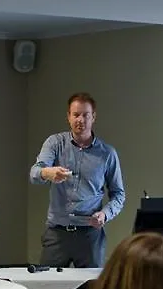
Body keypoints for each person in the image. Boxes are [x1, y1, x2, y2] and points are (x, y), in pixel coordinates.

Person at [29, 92, 126, 268]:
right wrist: (47, 173)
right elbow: (34, 173)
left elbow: (119, 194)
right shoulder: (55, 143)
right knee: (49, 288)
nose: (80, 120)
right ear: (68, 117)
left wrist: (105, 214)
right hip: (57, 233)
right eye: (75, 115)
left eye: (85, 115)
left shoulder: (107, 153)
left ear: (93, 117)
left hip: (90, 234)